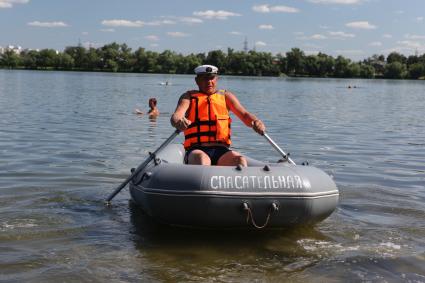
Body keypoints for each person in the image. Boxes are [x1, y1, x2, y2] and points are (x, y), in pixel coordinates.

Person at [170, 64, 265, 166]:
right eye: (205, 79)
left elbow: (245, 115)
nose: (209, 82)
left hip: (221, 150)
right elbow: (176, 115)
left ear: (217, 79)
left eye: (212, 78)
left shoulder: (226, 96)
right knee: (202, 160)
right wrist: (179, 121)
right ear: (197, 81)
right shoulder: (188, 97)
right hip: (196, 150)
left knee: (240, 161)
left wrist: (256, 121)